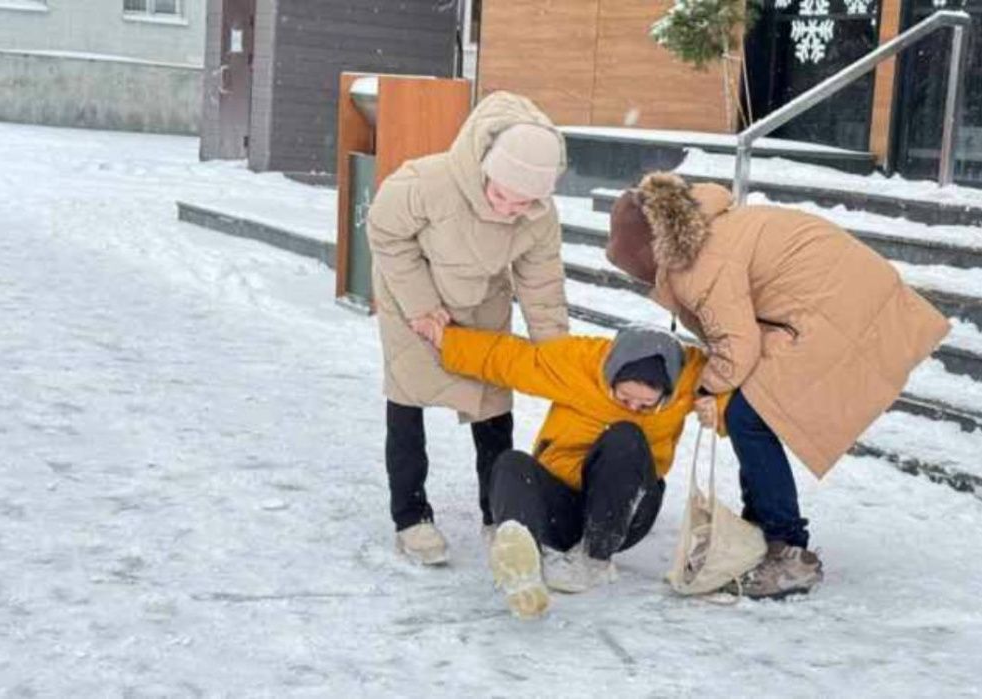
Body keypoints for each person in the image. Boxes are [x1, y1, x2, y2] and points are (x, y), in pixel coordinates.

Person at [606, 172, 950, 599]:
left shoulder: (698, 263)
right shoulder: (705, 231)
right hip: (839, 302)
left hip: (836, 315)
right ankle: (763, 529)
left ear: (650, 255)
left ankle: (787, 550)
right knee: (748, 410)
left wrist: (707, 390)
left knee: (748, 416)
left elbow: (737, 345)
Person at [365, 92, 570, 565]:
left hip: (482, 301)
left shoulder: (539, 217)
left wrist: (557, 357)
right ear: (486, 168)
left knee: (493, 407)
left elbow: (541, 283)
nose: (507, 209)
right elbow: (384, 232)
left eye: (522, 204)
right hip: (414, 299)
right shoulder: (427, 181)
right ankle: (411, 517)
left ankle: (499, 515)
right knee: (407, 399)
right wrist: (420, 304)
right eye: (500, 195)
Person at [412, 320, 723, 619]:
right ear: (611, 373)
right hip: (561, 509)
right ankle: (522, 562)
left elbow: (741, 394)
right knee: (510, 463)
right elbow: (513, 359)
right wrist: (447, 341)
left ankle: (594, 560)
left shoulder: (693, 376)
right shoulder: (579, 362)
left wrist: (717, 405)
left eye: (647, 406)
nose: (634, 408)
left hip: (626, 514)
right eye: (625, 398)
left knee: (626, 435)